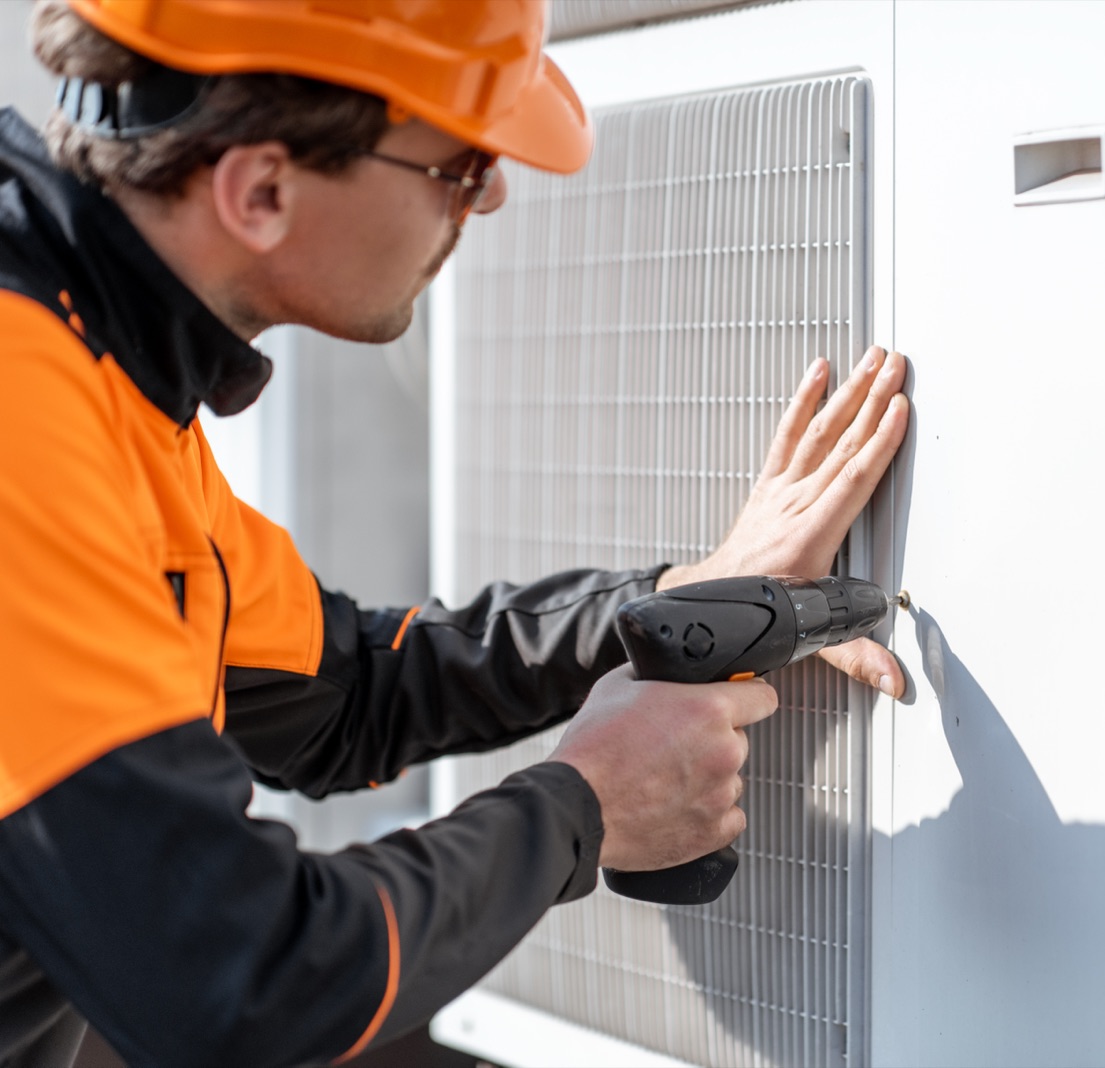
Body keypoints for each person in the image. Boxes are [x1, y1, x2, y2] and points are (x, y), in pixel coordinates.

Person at [0, 1, 910, 1065]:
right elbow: (240, 983)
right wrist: (586, 808)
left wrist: (677, 598)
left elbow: (345, 696)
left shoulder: (91, 360)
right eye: (461, 170)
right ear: (262, 191)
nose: (494, 193)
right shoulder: (27, 412)